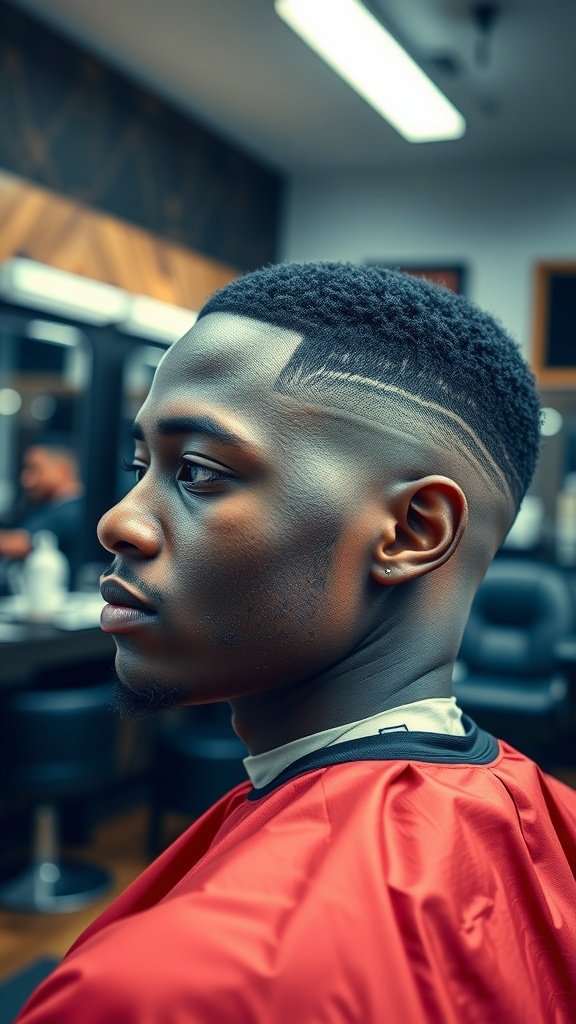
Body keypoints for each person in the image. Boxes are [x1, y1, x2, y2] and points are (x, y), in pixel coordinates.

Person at [17, 263, 576, 1023]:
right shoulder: (551, 823)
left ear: (413, 532)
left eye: (200, 472)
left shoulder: (170, 994)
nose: (118, 520)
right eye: (139, 466)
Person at [0, 441, 84, 564]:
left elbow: (18, 544)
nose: (25, 480)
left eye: (34, 469)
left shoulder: (72, 511)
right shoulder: (54, 507)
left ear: (62, 470)